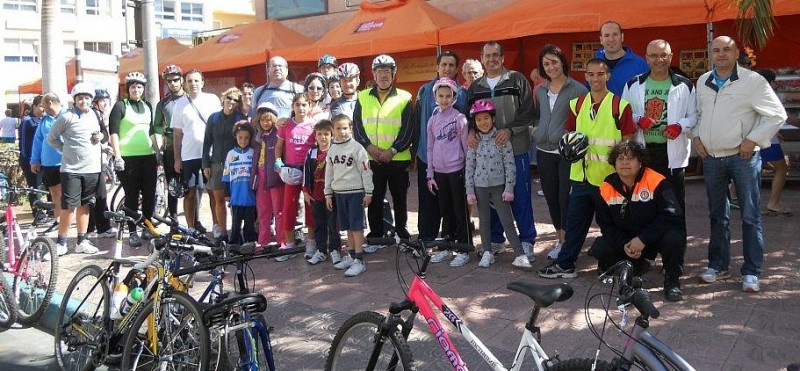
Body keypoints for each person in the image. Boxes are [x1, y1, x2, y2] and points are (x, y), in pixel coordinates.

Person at [692, 36, 786, 292]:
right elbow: (697, 115)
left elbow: (777, 114)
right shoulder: (703, 81)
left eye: (727, 49)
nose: (721, 54)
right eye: (716, 50)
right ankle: (718, 265)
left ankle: (751, 271)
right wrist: (696, 138)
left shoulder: (752, 81)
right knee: (717, 216)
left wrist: (753, 139)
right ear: (711, 54)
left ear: (736, 54)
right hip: (712, 158)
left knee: (750, 216)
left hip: (742, 158)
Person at [539, 58, 637, 279]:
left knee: (611, 226)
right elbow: (569, 134)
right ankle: (566, 264)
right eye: (591, 74)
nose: (595, 79)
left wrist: (624, 174)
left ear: (608, 76)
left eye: (600, 74)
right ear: (585, 76)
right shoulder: (577, 104)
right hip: (581, 175)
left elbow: (628, 141)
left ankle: (613, 265)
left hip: (609, 178)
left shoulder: (619, 105)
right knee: (574, 224)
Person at [589, 141, 686, 302]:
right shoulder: (606, 187)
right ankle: (633, 267)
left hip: (654, 238)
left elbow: (672, 215)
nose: (625, 163)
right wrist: (625, 245)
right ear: (614, 163)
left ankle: (672, 282)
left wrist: (643, 239)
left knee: (675, 237)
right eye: (620, 158)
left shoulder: (657, 181)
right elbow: (606, 225)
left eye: (630, 158)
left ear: (640, 162)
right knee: (600, 248)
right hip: (628, 241)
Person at [467, 41, 537, 259]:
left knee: (520, 196)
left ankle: (526, 241)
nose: (492, 59)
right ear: (482, 59)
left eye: (496, 55)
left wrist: (510, 130)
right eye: (487, 56)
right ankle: (496, 241)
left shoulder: (517, 80)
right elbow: (470, 116)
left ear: (503, 57)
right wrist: (471, 131)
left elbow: (528, 111)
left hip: (516, 148)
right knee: (492, 198)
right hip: (488, 155)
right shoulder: (475, 87)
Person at [622, 39, 696, 224]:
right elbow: (624, 115)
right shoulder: (632, 84)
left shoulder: (685, 85)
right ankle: (646, 242)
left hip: (672, 155)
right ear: (646, 58)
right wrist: (639, 120)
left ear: (671, 57)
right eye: (654, 56)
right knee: (644, 204)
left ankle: (675, 241)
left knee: (674, 205)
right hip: (643, 152)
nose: (659, 60)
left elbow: (694, 116)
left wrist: (680, 126)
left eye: (663, 55)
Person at [533, 44, 589, 260]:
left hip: (566, 154)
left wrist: (571, 138)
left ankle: (567, 242)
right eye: (546, 63)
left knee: (565, 198)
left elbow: (584, 120)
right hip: (543, 151)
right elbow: (537, 116)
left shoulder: (578, 90)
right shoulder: (540, 90)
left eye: (554, 62)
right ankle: (560, 240)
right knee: (551, 198)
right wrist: (535, 131)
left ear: (563, 62)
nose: (551, 67)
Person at [353, 54, 415, 242]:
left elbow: (408, 129)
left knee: (400, 199)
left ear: (394, 74)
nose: (383, 75)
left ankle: (402, 234)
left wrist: (392, 150)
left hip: (398, 159)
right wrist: (369, 147)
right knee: (374, 198)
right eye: (379, 71)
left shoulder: (404, 97)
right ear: (374, 74)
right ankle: (376, 235)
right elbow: (357, 127)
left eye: (387, 71)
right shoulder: (362, 97)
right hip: (371, 159)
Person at [414, 51, 468, 243]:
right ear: (437, 67)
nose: (447, 68)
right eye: (444, 64)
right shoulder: (424, 91)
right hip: (427, 156)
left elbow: (465, 127)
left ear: (456, 69)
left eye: (451, 65)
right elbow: (418, 121)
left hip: (454, 162)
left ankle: (454, 238)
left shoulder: (462, 93)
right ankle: (427, 238)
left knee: (453, 202)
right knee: (428, 200)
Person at [465, 99, 524, 268]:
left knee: (507, 220)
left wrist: (509, 188)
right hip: (480, 187)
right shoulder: (474, 142)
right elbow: (469, 167)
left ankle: (519, 254)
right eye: (478, 119)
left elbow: (510, 164)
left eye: (486, 118)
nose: (483, 122)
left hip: (499, 186)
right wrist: (470, 191)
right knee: (484, 221)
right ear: (474, 122)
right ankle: (487, 252)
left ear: (493, 119)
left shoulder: (501, 139)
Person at [47, 83, 103, 255]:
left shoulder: (95, 114)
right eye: (80, 98)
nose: (83, 101)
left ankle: (82, 241)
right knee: (69, 206)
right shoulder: (67, 117)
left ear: (91, 100)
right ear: (75, 100)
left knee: (85, 205)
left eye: (87, 98)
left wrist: (100, 136)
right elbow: (52, 138)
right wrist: (65, 150)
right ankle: (61, 242)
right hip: (72, 170)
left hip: (92, 168)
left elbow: (101, 133)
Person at [109, 72, 159, 247]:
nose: (136, 90)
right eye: (132, 87)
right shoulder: (120, 106)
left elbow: (151, 131)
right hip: (128, 158)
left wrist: (157, 152)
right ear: (127, 89)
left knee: (149, 194)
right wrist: (117, 156)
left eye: (139, 87)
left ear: (143, 89)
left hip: (148, 156)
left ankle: (147, 227)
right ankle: (132, 232)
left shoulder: (147, 106)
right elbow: (113, 132)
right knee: (131, 195)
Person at [424, 77, 470, 267]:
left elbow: (466, 147)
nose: (444, 100)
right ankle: (446, 246)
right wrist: (430, 174)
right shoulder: (432, 120)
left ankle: (464, 248)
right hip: (439, 172)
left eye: (448, 96)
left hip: (457, 170)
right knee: (445, 210)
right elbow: (429, 148)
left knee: (460, 210)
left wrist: (468, 171)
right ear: (435, 97)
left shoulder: (460, 119)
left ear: (454, 97)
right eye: (441, 96)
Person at [171, 69, 221, 232]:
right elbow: (177, 134)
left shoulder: (212, 100)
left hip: (211, 155)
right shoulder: (180, 104)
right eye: (190, 81)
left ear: (202, 82)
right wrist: (177, 159)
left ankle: (216, 225)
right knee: (190, 193)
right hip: (189, 155)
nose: (193, 84)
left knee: (213, 192)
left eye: (196, 80)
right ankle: (191, 227)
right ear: (185, 84)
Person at [324, 114, 374, 277]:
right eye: (338, 128)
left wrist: (368, 192)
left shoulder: (357, 148)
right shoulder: (332, 149)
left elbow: (366, 171)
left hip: (355, 193)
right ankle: (351, 255)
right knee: (347, 227)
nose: (342, 131)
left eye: (345, 128)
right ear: (333, 130)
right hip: (339, 193)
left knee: (356, 226)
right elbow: (329, 173)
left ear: (351, 128)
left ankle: (359, 259)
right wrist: (328, 193)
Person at [274, 93, 316, 261]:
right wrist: (278, 163)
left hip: (309, 172)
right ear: (293, 106)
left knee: (310, 207)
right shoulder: (286, 125)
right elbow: (279, 146)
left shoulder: (314, 125)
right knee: (288, 207)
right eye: (297, 105)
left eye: (304, 105)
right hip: (291, 172)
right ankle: (289, 244)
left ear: (309, 106)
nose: (301, 108)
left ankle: (311, 242)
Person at [203, 87, 246, 244]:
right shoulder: (214, 118)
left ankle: (236, 232)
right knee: (218, 200)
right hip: (216, 164)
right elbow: (207, 142)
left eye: (235, 100)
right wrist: (205, 163)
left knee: (235, 201)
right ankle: (223, 233)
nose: (231, 102)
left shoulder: (240, 119)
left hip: (235, 165)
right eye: (229, 98)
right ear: (223, 99)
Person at [31, 92, 65, 254]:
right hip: (49, 163)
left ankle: (68, 223)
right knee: (55, 193)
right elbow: (38, 141)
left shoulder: (66, 116)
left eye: (43, 104)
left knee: (68, 194)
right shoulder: (44, 120)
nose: (42, 108)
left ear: (50, 103)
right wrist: (34, 160)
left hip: (66, 161)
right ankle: (58, 221)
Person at [303, 120, 341, 265]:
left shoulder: (335, 151)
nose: (323, 137)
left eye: (326, 134)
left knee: (333, 224)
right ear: (315, 135)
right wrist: (306, 191)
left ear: (332, 135)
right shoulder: (311, 153)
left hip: (332, 195)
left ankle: (335, 250)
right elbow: (306, 173)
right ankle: (321, 250)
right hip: (316, 195)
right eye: (319, 134)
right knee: (319, 223)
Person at [756, 68, 792, 216]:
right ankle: (774, 203)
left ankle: (744, 201)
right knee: (781, 168)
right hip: (768, 138)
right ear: (770, 82)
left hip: (755, 137)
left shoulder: (752, 92)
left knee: (754, 169)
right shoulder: (768, 95)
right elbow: (778, 116)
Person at [153, 64, 185, 220]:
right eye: (169, 81)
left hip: (190, 148)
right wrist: (158, 149)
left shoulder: (190, 100)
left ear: (182, 80)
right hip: (171, 148)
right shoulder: (163, 104)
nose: (172, 83)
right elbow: (157, 127)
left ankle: (195, 221)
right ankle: (174, 220)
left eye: (175, 80)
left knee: (193, 188)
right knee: (172, 187)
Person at [251, 102, 284, 247]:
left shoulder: (278, 135)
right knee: (263, 211)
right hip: (260, 175)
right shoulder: (258, 136)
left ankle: (282, 241)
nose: (265, 123)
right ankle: (263, 241)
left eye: (268, 120)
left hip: (275, 176)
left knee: (279, 211)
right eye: (262, 120)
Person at [86, 88, 115, 238]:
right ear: (95, 103)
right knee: (98, 194)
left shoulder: (99, 115)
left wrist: (102, 137)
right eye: (102, 101)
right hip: (91, 161)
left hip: (98, 160)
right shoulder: (92, 115)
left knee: (96, 194)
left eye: (106, 101)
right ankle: (101, 228)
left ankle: (91, 227)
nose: (105, 104)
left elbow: (104, 134)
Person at [222, 123, 257, 245]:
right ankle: (234, 243)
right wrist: (227, 193)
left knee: (249, 222)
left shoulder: (253, 153)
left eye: (246, 138)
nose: (243, 141)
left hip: (250, 196)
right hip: (236, 197)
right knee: (235, 224)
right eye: (240, 137)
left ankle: (250, 242)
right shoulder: (231, 154)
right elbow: (226, 174)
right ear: (235, 137)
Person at [595, 21, 649, 95]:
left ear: (622, 37)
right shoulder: (594, 64)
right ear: (601, 40)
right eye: (606, 35)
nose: (611, 39)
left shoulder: (640, 65)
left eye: (615, 34)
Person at [19, 95, 47, 222]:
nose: (43, 108)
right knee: (34, 187)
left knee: (48, 185)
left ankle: (51, 210)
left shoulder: (45, 119)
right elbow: (24, 144)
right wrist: (30, 160)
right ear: (34, 106)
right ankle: (38, 213)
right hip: (30, 160)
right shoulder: (28, 121)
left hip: (44, 160)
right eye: (41, 106)